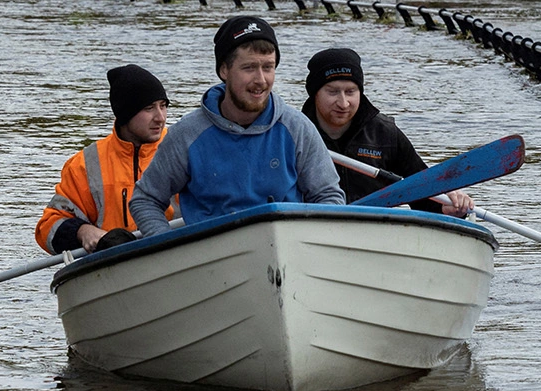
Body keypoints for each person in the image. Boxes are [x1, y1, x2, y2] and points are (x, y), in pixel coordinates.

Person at [130, 17, 345, 236]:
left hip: (289, 249)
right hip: (209, 259)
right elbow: (145, 199)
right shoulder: (187, 134)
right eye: (249, 68)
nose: (261, 79)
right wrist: (166, 244)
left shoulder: (297, 128)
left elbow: (329, 197)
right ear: (224, 70)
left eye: (268, 68)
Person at [300, 48, 474, 216]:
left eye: (351, 92)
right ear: (315, 93)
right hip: (314, 223)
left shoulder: (385, 133)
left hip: (375, 227)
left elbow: (421, 193)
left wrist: (449, 206)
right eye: (333, 92)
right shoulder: (295, 133)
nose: (343, 103)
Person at [36, 65, 172, 254]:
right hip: (111, 267)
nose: (160, 117)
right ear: (125, 114)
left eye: (163, 106)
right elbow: (47, 228)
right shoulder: (84, 165)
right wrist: (82, 231)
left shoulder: (183, 149)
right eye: (149, 108)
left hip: (176, 253)